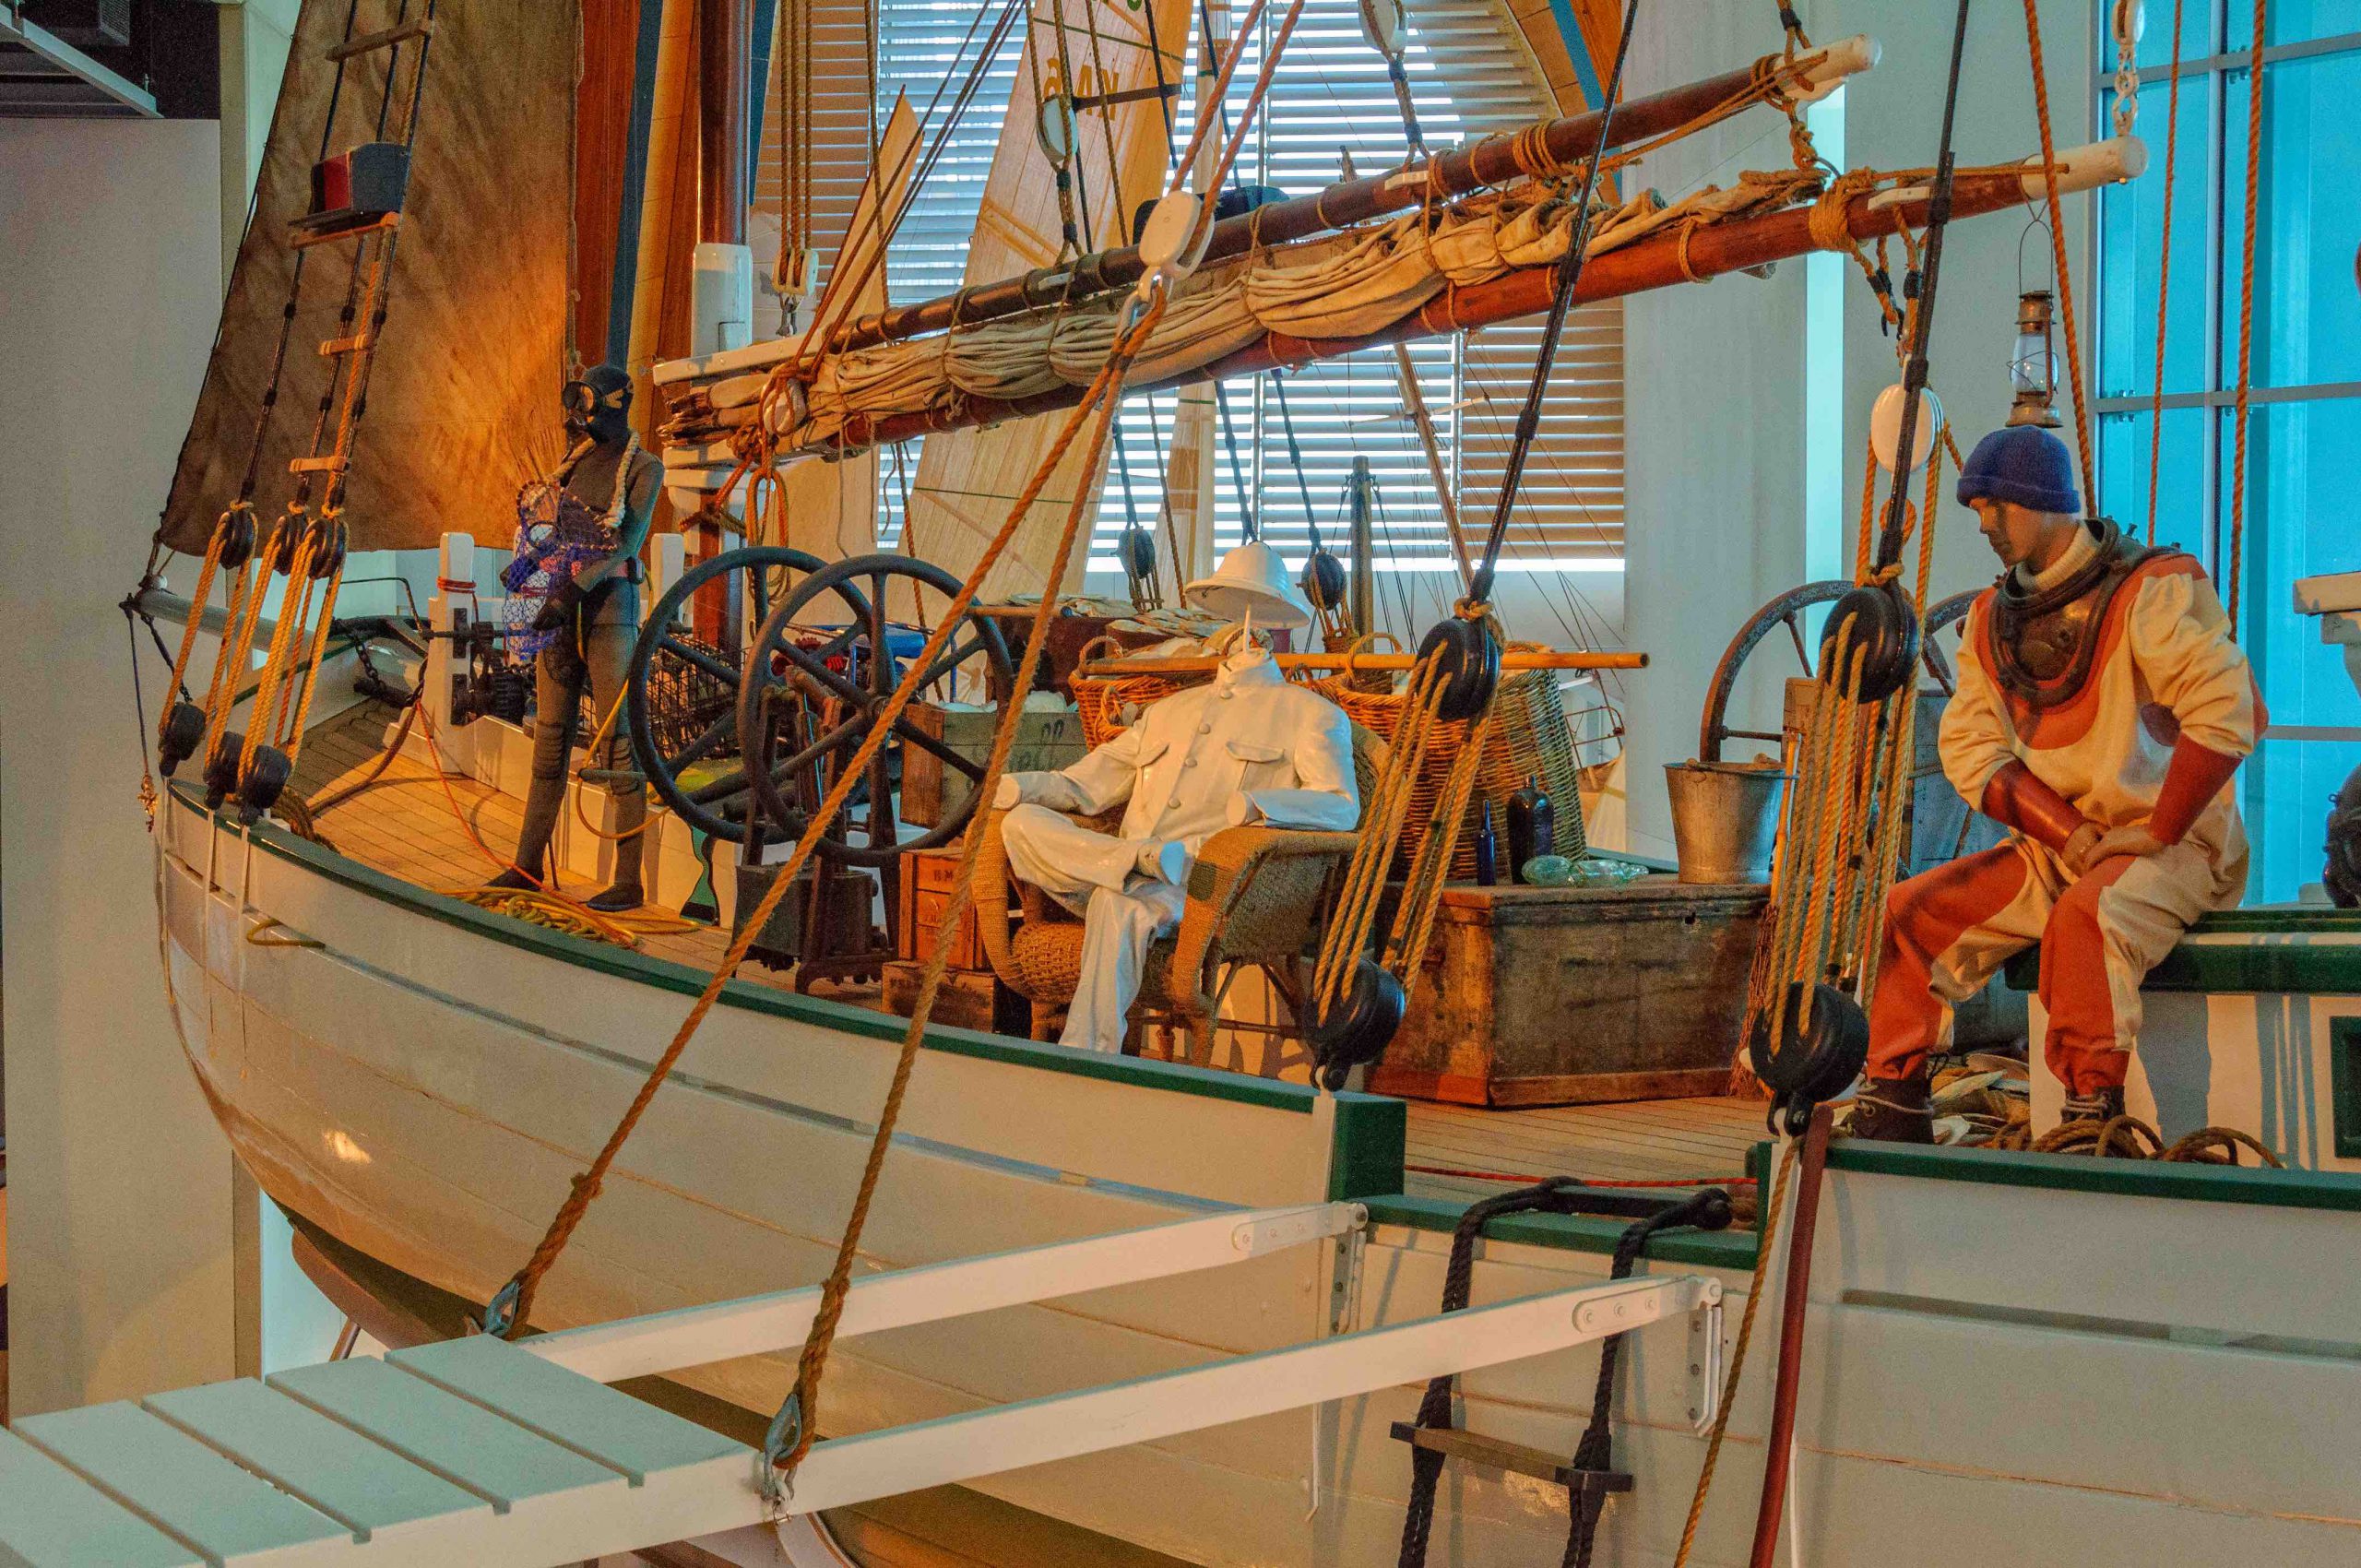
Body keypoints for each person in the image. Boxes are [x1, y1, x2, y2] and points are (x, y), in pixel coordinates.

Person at [1851, 425, 2262, 1141]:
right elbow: (1970, 746)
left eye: (1997, 505)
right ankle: (1895, 1101)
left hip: (2176, 847)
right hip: (2064, 851)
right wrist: (2069, 834)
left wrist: (2159, 829)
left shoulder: (2152, 591)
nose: (1984, 523)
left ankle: (2091, 1118)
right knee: (1912, 912)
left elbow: (2231, 709)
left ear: (2045, 502)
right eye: (1977, 508)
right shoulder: (1990, 620)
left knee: (2086, 917)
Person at [992, 541, 1360, 1052]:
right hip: (1119, 866)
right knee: (1020, 823)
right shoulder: (1169, 711)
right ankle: (1133, 859)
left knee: (1118, 905)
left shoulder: (1311, 714)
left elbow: (1341, 804)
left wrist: (1260, 806)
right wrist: (1018, 788)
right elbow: (1087, 785)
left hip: (1202, 881)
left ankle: (1086, 1054)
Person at [489, 364, 661, 910]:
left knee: (617, 745)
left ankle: (629, 882)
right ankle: (527, 865)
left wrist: (567, 594)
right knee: (549, 741)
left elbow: (625, 543)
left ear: (614, 404)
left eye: (586, 404)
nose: (578, 416)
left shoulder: (646, 468)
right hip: (560, 613)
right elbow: (556, 533)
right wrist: (528, 569)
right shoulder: (575, 463)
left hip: (608, 613)